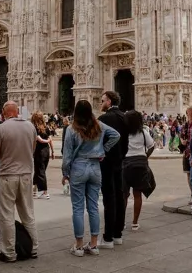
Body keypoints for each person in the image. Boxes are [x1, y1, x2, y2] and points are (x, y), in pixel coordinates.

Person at [61, 100, 121, 257]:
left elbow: (67, 155)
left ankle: (79, 246)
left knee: (78, 208)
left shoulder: (71, 129)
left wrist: (65, 173)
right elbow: (116, 135)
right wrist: (103, 151)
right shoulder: (98, 125)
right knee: (93, 207)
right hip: (95, 168)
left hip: (79, 168)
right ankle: (94, 245)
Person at [0, 101, 39, 263]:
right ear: (17, 111)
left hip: (7, 176)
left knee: (7, 215)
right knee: (28, 213)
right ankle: (33, 248)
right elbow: (32, 149)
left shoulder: (1, 128)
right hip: (26, 175)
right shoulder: (30, 127)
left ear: (5, 113)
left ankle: (9, 253)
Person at [97, 91, 129, 248]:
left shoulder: (103, 119)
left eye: (102, 100)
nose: (100, 103)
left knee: (109, 199)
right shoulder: (125, 117)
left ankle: (108, 238)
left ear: (108, 101)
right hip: (121, 162)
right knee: (120, 196)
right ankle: (118, 235)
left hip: (106, 163)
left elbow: (97, 141)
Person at [122, 110, 154, 232]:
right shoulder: (143, 132)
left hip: (125, 164)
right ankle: (135, 222)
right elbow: (151, 146)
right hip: (139, 164)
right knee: (137, 194)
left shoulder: (123, 133)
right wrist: (145, 156)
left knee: (124, 195)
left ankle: (122, 222)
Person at [30, 112, 54, 200]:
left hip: (39, 151)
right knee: (38, 170)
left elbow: (39, 139)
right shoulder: (46, 127)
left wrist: (46, 141)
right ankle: (34, 190)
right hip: (46, 151)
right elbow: (50, 139)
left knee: (40, 171)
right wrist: (53, 151)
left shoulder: (35, 128)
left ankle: (45, 192)